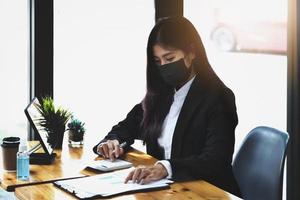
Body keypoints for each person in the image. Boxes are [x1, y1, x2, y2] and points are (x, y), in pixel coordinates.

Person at [93, 17, 241, 196]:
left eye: (169, 58)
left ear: (191, 52)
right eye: (157, 61)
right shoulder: (162, 93)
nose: (163, 67)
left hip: (207, 193)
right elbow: (127, 126)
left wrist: (165, 167)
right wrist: (113, 141)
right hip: (168, 191)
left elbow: (216, 159)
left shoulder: (219, 97)